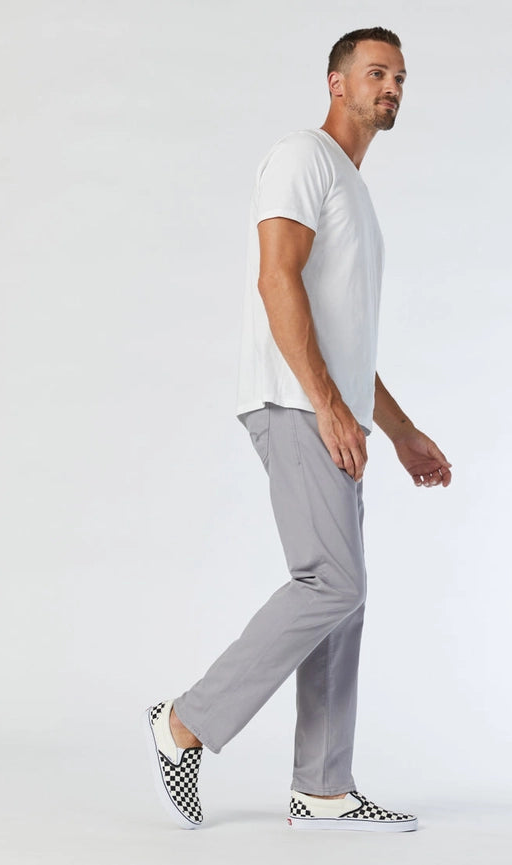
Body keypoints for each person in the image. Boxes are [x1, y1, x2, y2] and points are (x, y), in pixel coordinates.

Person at [144, 26, 452, 833]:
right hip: (293, 402)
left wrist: (401, 430)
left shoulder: (354, 189)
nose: (391, 87)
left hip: (325, 406)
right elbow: (276, 277)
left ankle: (322, 787)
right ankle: (184, 722)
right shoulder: (303, 157)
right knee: (331, 582)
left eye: (400, 77)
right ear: (335, 82)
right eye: (376, 72)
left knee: (343, 595)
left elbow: (346, 343)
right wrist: (325, 403)